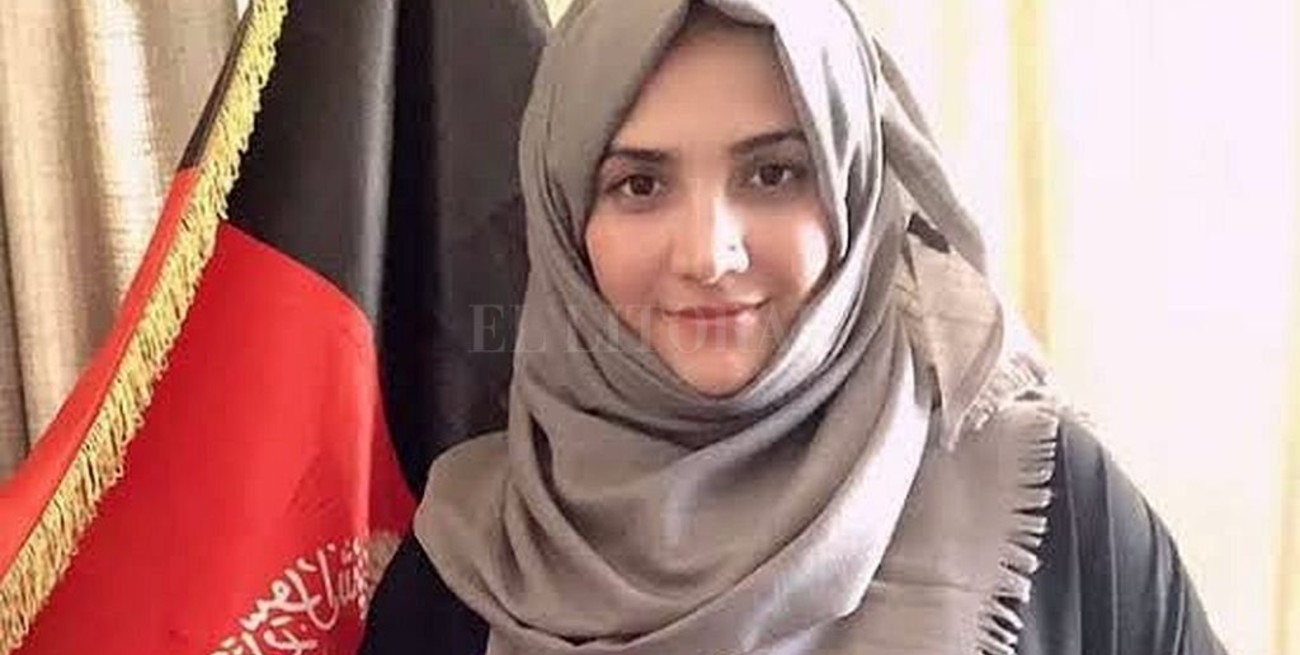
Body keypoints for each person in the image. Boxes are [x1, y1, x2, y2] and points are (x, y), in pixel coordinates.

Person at [361, 0, 1227, 653]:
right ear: (563, 220)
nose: (709, 253)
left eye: (773, 174)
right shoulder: (470, 567)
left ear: (855, 189)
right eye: (640, 185)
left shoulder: (1052, 511)